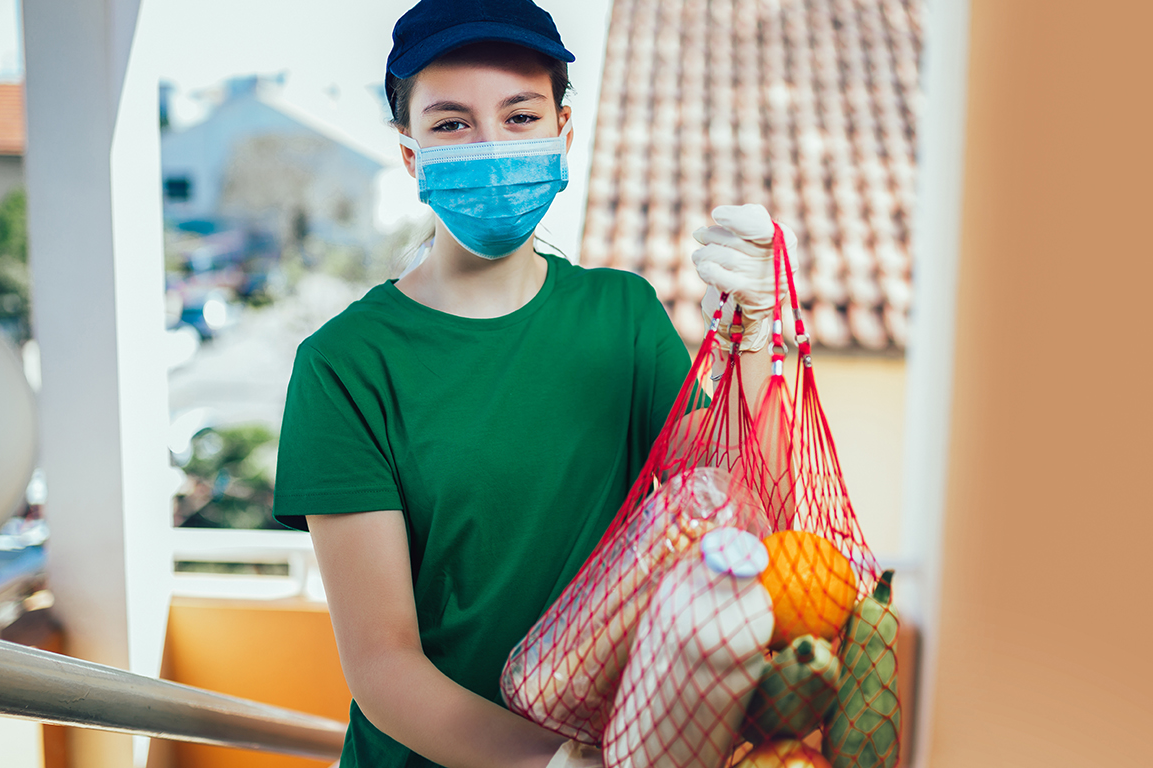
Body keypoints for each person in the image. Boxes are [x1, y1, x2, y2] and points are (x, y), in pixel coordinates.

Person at [272, 1, 787, 767]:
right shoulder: (344, 367)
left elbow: (739, 516)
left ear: (562, 136)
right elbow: (383, 666)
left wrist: (754, 348)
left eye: (520, 116)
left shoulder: (622, 318)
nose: (490, 146)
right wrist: (548, 763)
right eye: (451, 124)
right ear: (412, 157)